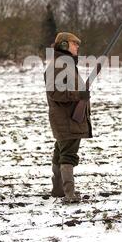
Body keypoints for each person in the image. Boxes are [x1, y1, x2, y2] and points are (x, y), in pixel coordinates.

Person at [44, 32, 92, 203]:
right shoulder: (60, 65)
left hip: (66, 118)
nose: (77, 46)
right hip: (66, 119)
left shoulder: (65, 65)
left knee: (60, 153)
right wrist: (78, 94)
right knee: (68, 155)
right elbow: (56, 93)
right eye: (74, 43)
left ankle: (58, 191)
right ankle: (69, 194)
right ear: (64, 45)